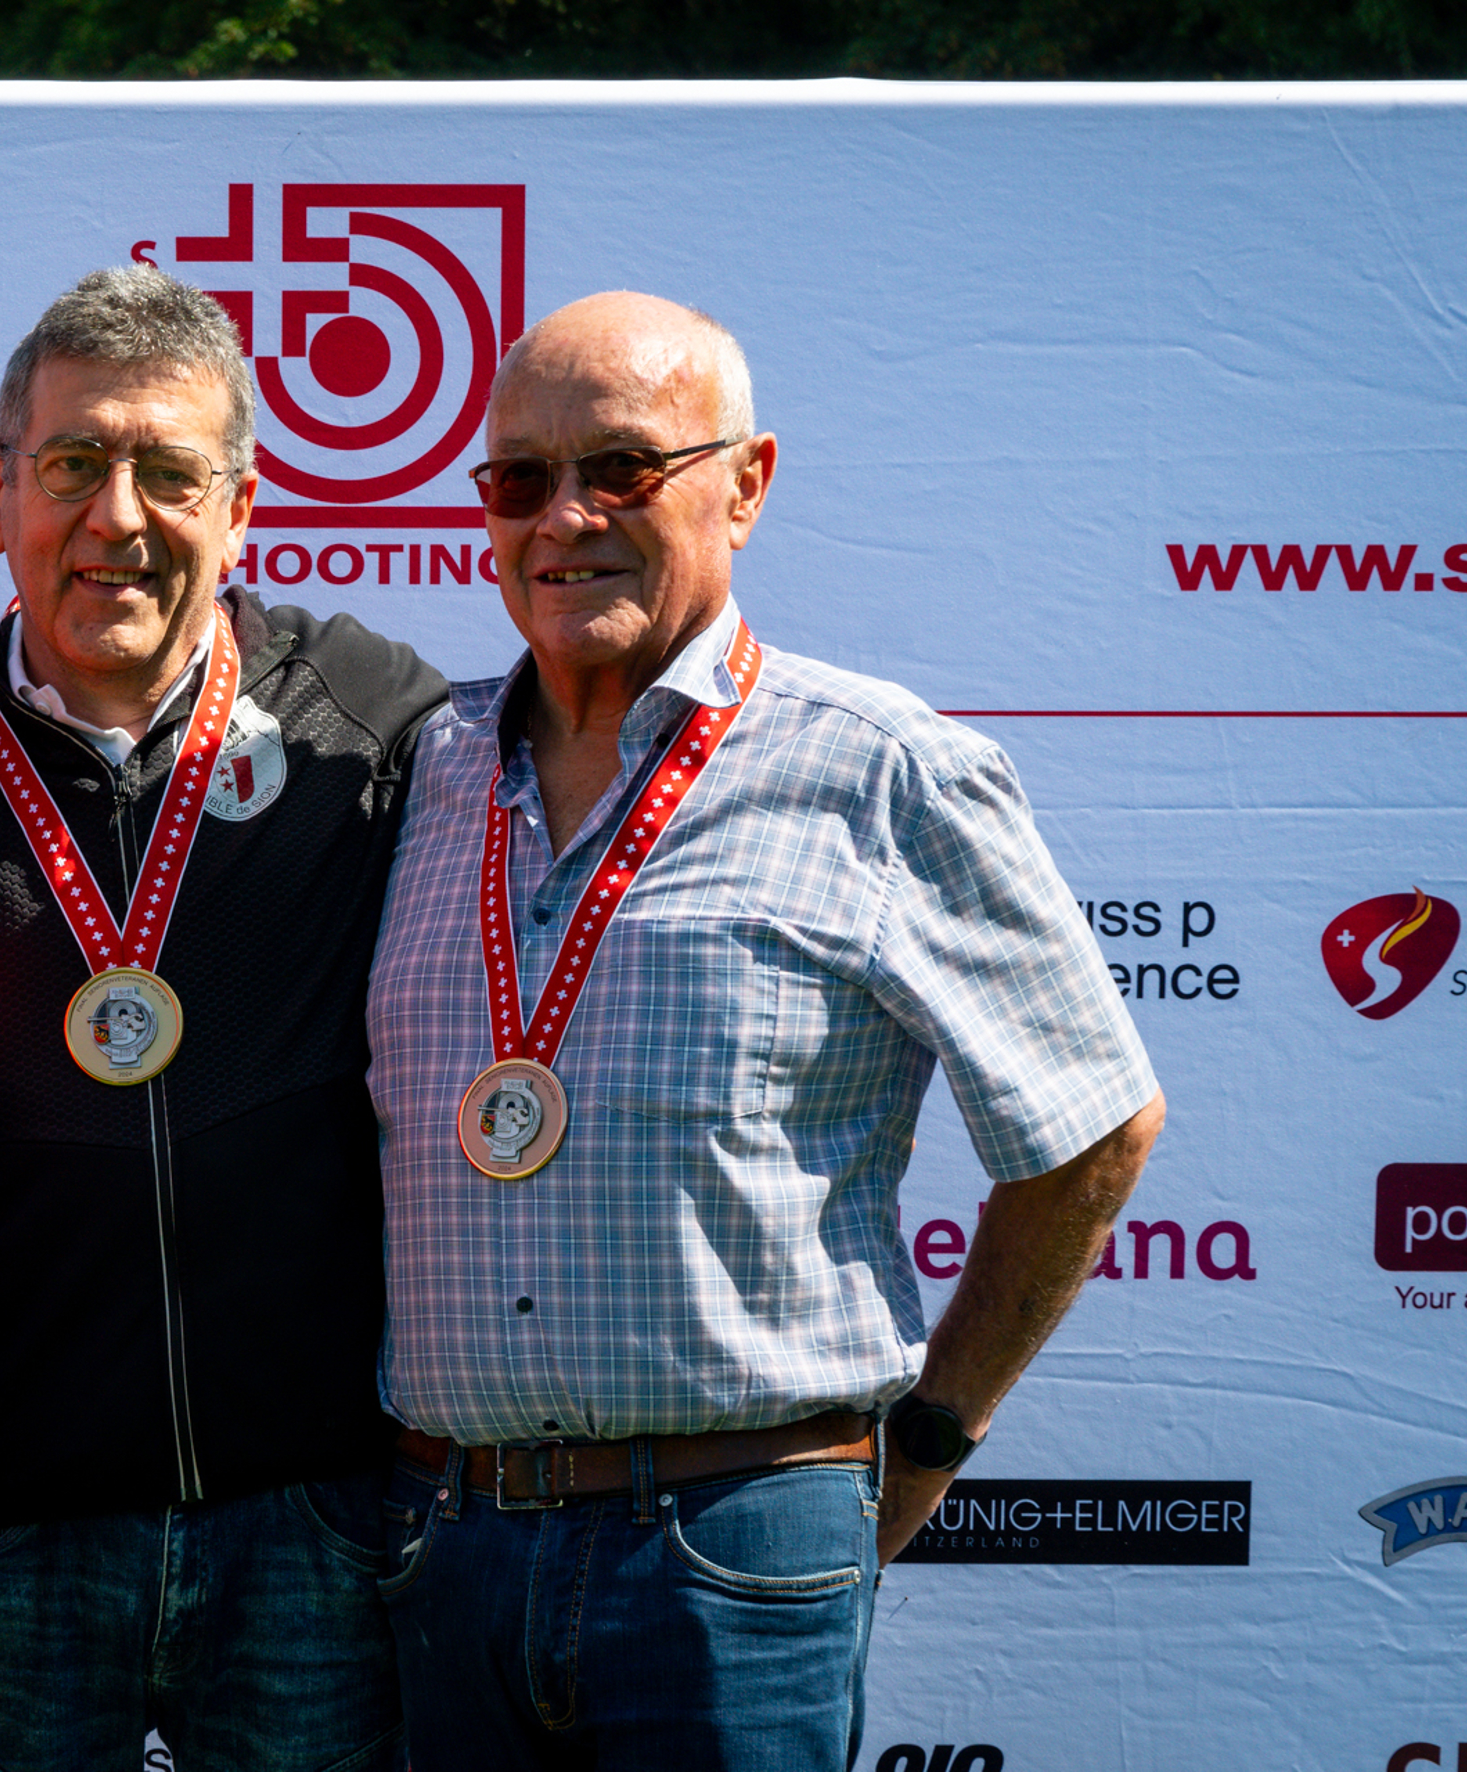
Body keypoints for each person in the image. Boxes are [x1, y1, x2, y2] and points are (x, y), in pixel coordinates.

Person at [364, 290, 1167, 1770]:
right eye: (519, 480)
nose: (564, 518)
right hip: (444, 1548)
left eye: (621, 467)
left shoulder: (880, 770)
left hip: (732, 1547)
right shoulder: (419, 771)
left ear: (746, 483)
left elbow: (1092, 1130)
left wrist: (925, 1441)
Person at [0, 265, 449, 1770]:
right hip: (19, 1532)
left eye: (168, 470)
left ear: (243, 504)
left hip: (312, 1521)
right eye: (73, 464)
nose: (116, 517)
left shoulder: (377, 721)